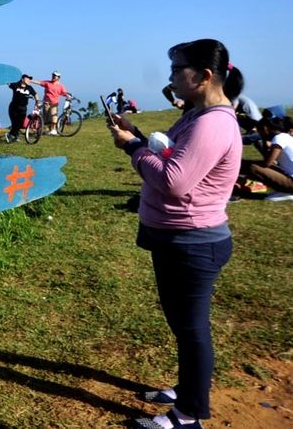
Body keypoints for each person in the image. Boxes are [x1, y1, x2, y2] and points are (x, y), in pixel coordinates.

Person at [108, 39, 242, 429]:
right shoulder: (196, 114)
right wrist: (137, 134)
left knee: (192, 327)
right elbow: (172, 156)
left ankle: (187, 416)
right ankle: (187, 390)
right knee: (183, 325)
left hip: (192, 243)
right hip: (176, 238)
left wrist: (132, 146)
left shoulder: (213, 123)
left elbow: (174, 181)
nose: (170, 76)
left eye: (176, 69)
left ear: (203, 76)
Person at [239, 115, 293, 201]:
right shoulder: (287, 137)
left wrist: (264, 141)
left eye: (260, 132)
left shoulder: (279, 139)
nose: (259, 134)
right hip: (289, 177)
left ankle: (286, 191)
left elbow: (268, 163)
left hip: (291, 182)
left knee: (253, 167)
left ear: (265, 128)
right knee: (251, 164)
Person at [33, 71, 70, 136]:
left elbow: (64, 93)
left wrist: (67, 95)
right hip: (46, 103)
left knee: (53, 116)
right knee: (46, 117)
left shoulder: (60, 86)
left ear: (58, 78)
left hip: (54, 103)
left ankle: (54, 130)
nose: (53, 77)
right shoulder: (47, 83)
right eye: (53, 75)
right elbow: (39, 82)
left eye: (55, 76)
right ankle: (49, 130)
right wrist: (30, 80)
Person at [5, 74, 37, 143]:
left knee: (20, 124)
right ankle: (10, 135)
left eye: (30, 79)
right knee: (15, 123)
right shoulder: (16, 85)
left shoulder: (29, 88)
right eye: (27, 78)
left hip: (23, 108)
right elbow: (8, 83)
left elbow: (35, 94)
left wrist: (38, 101)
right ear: (22, 79)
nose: (29, 80)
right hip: (14, 107)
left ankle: (13, 135)